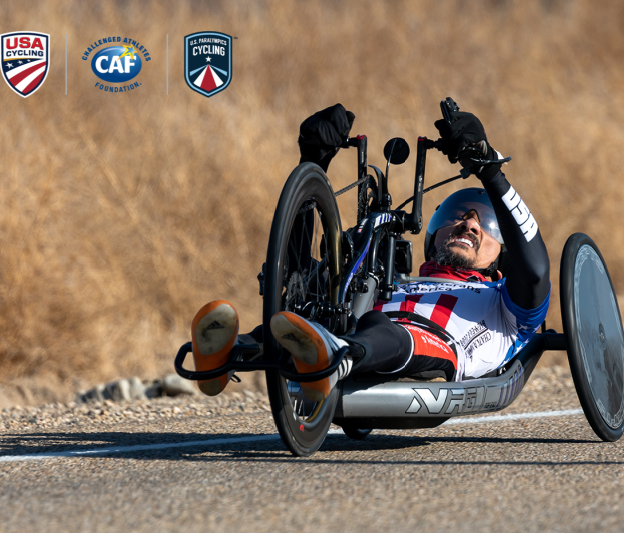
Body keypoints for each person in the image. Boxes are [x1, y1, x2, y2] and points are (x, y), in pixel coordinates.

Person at [190, 103, 551, 401]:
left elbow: (534, 269)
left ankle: (332, 356)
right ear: (434, 234)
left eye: (485, 225)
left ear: (502, 257)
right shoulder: (389, 282)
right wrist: (312, 162)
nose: (469, 224)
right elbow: (295, 280)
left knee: (381, 327)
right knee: (311, 297)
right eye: (458, 216)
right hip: (350, 329)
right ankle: (229, 352)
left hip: (429, 346)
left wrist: (489, 169)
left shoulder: (506, 304)